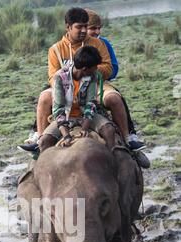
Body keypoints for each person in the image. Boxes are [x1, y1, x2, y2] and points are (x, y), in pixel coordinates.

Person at [18, 7, 149, 167]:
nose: (83, 30)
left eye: (85, 26)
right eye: (79, 27)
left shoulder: (98, 43)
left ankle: (128, 141)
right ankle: (38, 139)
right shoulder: (56, 49)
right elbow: (53, 76)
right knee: (45, 96)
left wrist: (89, 69)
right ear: (68, 27)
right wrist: (70, 83)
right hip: (65, 84)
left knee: (114, 97)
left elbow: (108, 68)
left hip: (96, 82)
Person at [39, 46, 116, 153]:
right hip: (66, 116)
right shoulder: (60, 77)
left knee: (109, 130)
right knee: (44, 142)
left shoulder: (92, 76)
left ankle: (113, 159)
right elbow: (58, 109)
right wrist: (66, 135)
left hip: (85, 115)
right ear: (85, 69)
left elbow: (91, 104)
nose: (96, 69)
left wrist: (84, 128)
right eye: (95, 67)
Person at [85, 8, 143, 149]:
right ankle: (37, 134)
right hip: (72, 84)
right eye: (93, 28)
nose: (97, 32)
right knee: (47, 96)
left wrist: (96, 71)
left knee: (116, 98)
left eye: (99, 28)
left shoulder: (103, 43)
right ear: (82, 27)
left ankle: (129, 135)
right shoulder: (69, 44)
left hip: (99, 83)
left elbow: (114, 68)